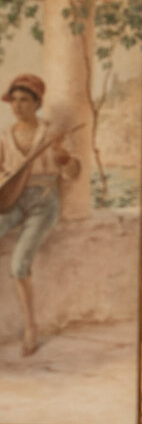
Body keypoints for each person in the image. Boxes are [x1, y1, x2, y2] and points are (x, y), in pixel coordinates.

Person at [0, 73, 81, 356]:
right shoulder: (4, 137)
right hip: (13, 201)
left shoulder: (51, 135)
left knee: (19, 265)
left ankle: (31, 326)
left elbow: (72, 174)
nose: (18, 106)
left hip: (43, 203)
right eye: (14, 100)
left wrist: (62, 156)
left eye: (25, 100)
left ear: (36, 103)